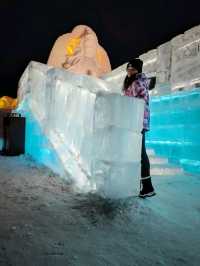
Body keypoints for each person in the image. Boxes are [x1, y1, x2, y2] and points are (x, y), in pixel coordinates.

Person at [122, 58, 156, 198]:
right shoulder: (132, 82)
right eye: (128, 68)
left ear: (138, 70)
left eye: (133, 69)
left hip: (138, 122)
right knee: (138, 153)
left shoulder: (137, 82)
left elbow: (140, 101)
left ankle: (148, 188)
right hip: (134, 121)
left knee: (141, 154)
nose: (130, 71)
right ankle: (143, 186)